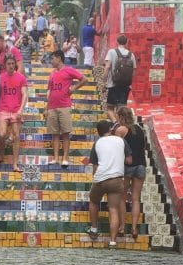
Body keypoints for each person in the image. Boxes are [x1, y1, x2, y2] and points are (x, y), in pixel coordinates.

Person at [87, 118, 130, 247]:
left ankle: (94, 229)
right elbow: (129, 160)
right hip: (116, 180)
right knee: (113, 209)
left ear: (98, 132)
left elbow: (95, 166)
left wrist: (96, 177)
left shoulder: (98, 143)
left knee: (94, 201)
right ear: (111, 129)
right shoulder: (121, 141)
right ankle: (112, 240)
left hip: (100, 178)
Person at [112, 106, 147, 240]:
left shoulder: (121, 130)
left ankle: (121, 226)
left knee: (122, 197)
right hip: (141, 166)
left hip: (127, 167)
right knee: (136, 199)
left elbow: (114, 147)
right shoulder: (140, 129)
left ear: (120, 117)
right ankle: (134, 228)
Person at [46, 49, 84, 167]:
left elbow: (84, 79)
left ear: (59, 58)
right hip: (52, 106)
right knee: (55, 134)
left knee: (65, 133)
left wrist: (74, 88)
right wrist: (46, 108)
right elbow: (49, 90)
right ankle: (56, 158)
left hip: (64, 106)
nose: (51, 61)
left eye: (52, 58)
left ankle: (65, 158)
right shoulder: (52, 73)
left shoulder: (69, 70)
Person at [0, 54, 28, 173]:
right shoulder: (0, 77)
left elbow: (25, 94)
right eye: (9, 64)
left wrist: (21, 110)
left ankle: (15, 164)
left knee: (16, 136)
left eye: (13, 63)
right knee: (2, 134)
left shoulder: (21, 78)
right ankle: (1, 157)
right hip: (3, 110)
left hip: (16, 111)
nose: (11, 66)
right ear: (5, 65)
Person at [103, 33, 136, 117]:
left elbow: (107, 67)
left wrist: (104, 81)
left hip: (113, 84)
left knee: (110, 108)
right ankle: (121, 125)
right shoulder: (131, 54)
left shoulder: (112, 52)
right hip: (125, 86)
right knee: (121, 109)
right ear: (126, 42)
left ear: (117, 42)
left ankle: (115, 124)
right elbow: (134, 71)